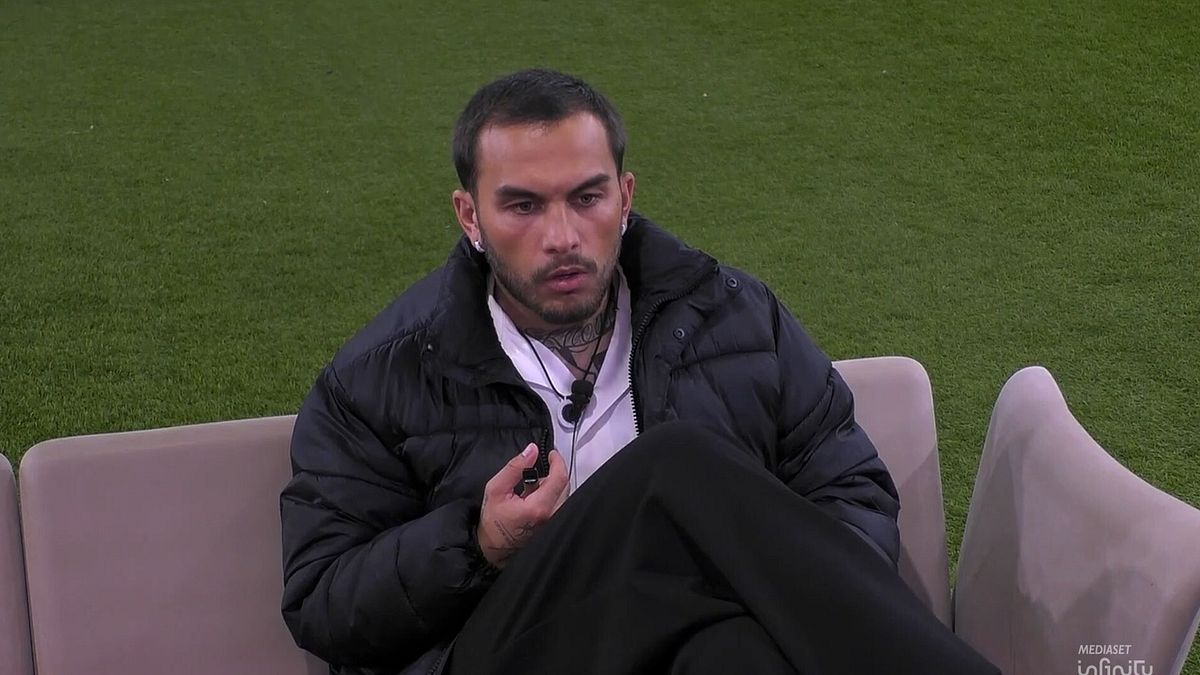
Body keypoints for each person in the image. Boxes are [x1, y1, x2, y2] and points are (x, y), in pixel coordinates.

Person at [280, 68, 998, 675]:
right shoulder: (380, 376)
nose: (561, 236)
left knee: (734, 651)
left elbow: (849, 490)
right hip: (505, 651)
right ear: (470, 217)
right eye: (523, 206)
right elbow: (322, 602)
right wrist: (479, 542)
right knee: (674, 464)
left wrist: (769, 587)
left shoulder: (736, 318)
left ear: (624, 199)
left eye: (586, 198)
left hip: (687, 638)